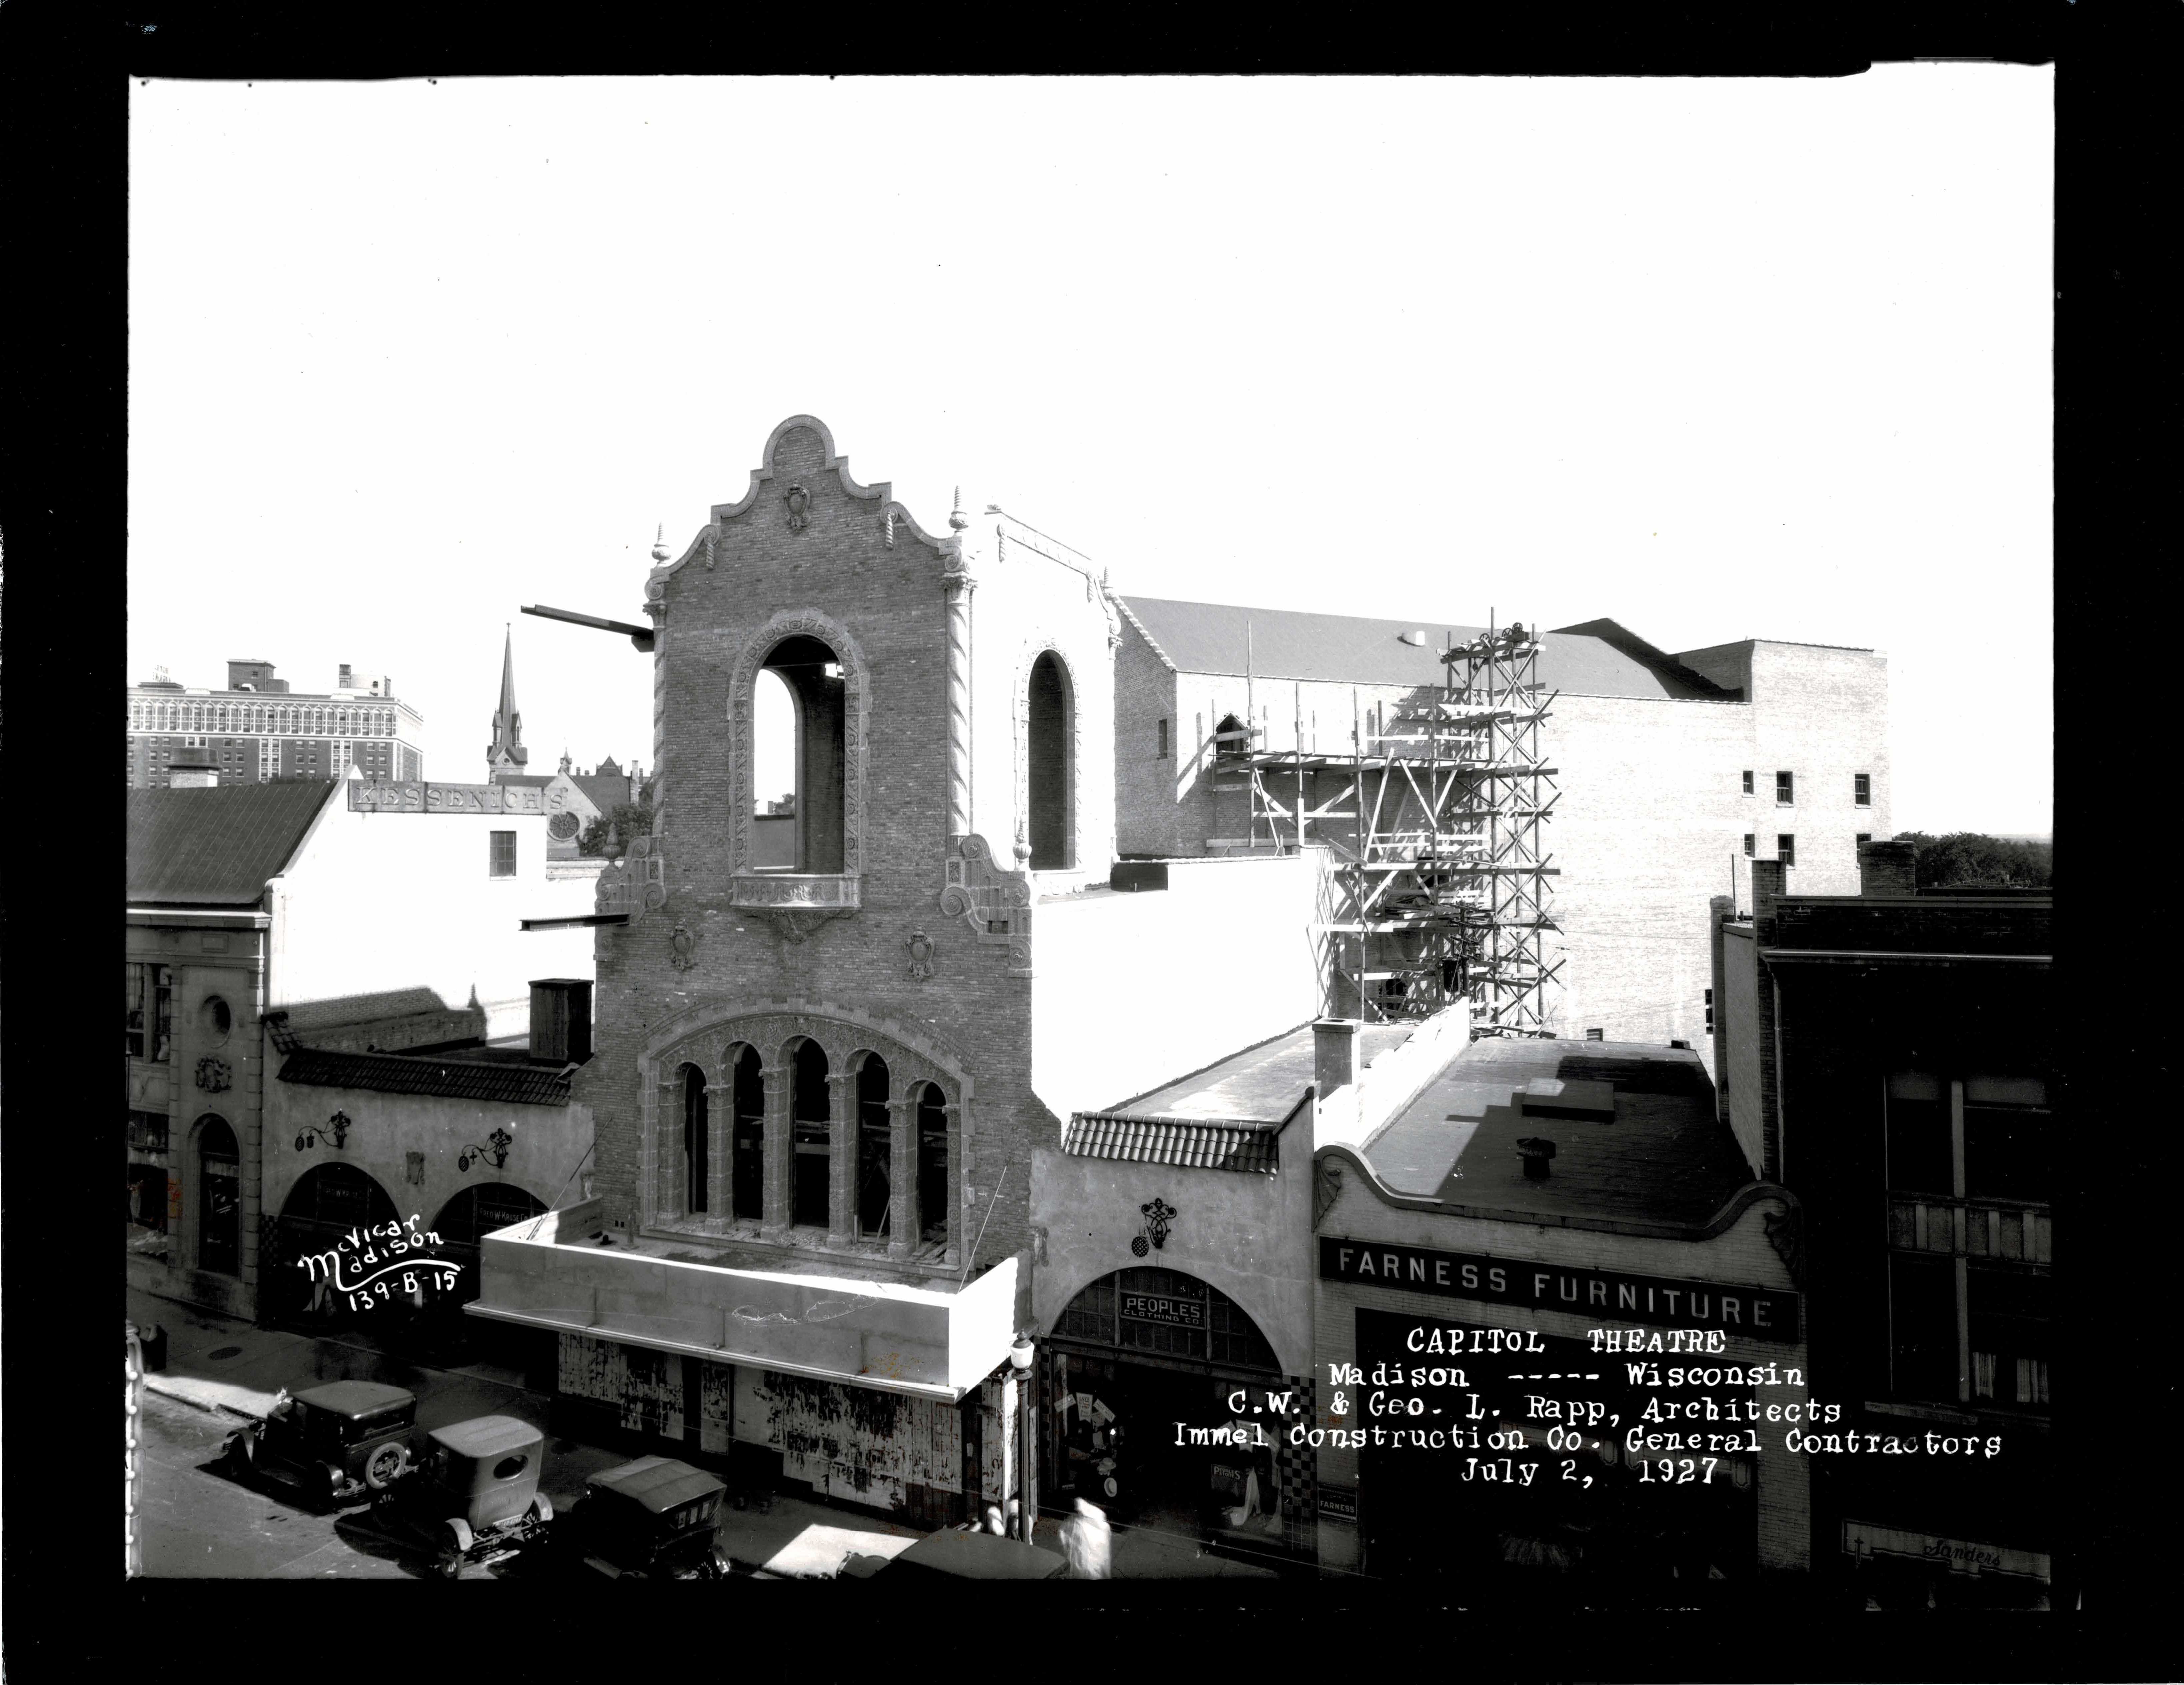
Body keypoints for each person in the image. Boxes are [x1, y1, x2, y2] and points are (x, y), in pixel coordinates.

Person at [1058, 1496, 1112, 1579]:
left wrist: (1066, 1547)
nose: (1079, 1514)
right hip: (1084, 1560)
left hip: (1087, 1561)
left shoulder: (1089, 1521)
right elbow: (1063, 1532)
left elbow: (1063, 1532)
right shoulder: (1076, 1521)